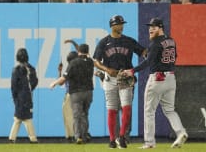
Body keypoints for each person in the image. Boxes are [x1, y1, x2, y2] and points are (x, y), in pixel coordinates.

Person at [124, 18, 188, 149]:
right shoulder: (171, 40)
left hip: (157, 78)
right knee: (170, 110)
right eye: (149, 27)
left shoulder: (155, 43)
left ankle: (149, 142)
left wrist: (132, 71)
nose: (150, 29)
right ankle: (181, 132)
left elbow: (148, 62)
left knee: (149, 111)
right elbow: (175, 57)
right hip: (170, 78)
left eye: (154, 27)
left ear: (160, 28)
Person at [93, 15, 146, 148]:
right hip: (110, 78)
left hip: (125, 77)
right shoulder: (104, 42)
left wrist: (154, 49)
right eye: (119, 24)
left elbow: (144, 52)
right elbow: (95, 61)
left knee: (126, 108)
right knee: (112, 110)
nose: (121, 26)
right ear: (112, 26)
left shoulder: (129, 41)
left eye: (122, 23)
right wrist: (106, 69)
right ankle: (112, 140)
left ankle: (122, 136)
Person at [50, 43, 94, 144]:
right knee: (84, 115)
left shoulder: (72, 65)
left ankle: (77, 136)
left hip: (75, 93)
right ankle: (85, 135)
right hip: (88, 92)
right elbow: (85, 54)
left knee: (75, 116)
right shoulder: (90, 62)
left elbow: (62, 81)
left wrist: (54, 82)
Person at [9, 48, 38, 144]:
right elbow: (35, 82)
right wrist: (29, 90)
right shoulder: (31, 69)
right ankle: (32, 139)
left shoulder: (15, 70)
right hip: (28, 96)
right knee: (26, 118)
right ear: (27, 57)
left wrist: (15, 98)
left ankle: (12, 138)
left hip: (19, 97)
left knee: (18, 118)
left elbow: (13, 86)